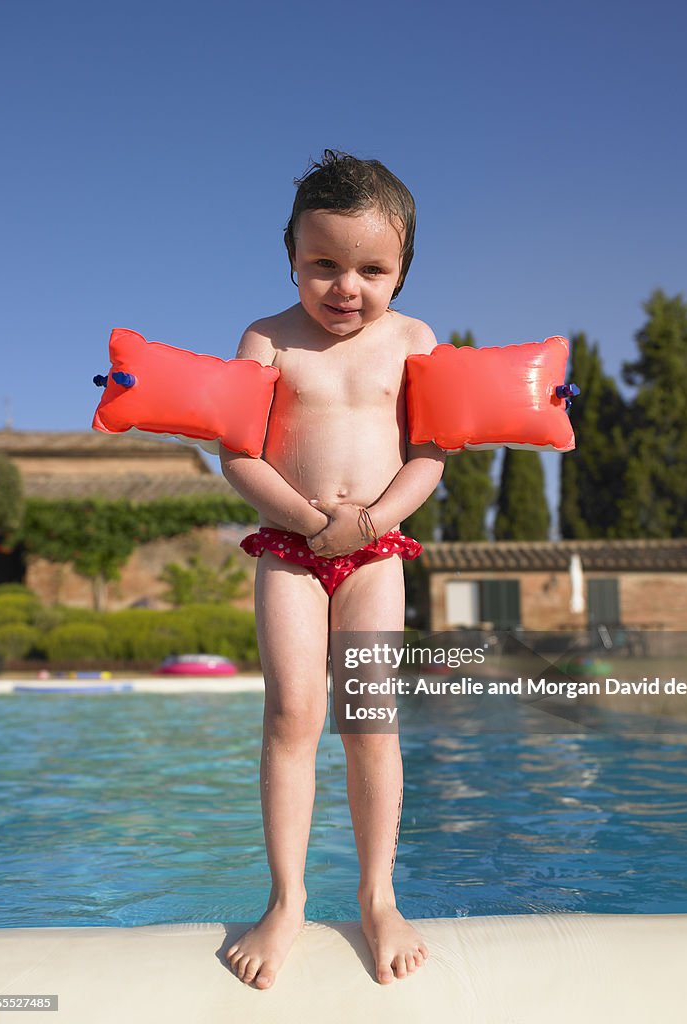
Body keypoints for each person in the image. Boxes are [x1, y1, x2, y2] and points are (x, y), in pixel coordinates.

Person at [220, 150, 445, 989]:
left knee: (369, 721)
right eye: (323, 265)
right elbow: (236, 456)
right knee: (291, 716)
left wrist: (369, 520)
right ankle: (285, 901)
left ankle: (378, 896)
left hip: (375, 554)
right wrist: (312, 520)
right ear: (292, 257)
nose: (345, 286)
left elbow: (428, 456)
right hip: (290, 548)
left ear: (402, 271)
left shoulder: (414, 341)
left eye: (371, 268)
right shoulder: (267, 340)